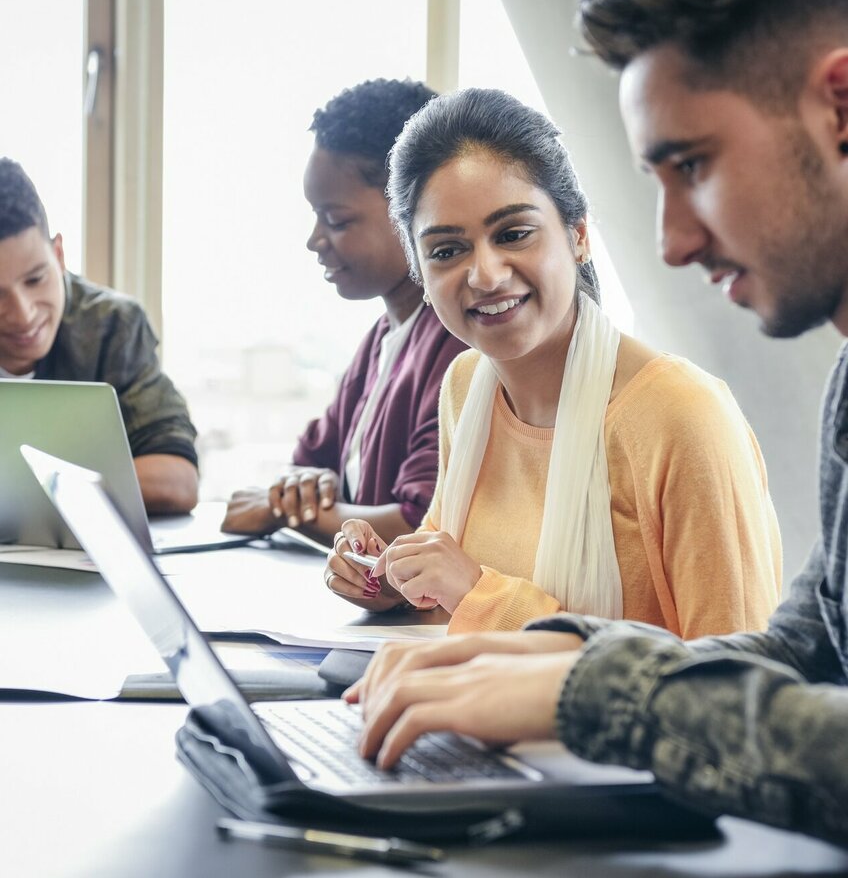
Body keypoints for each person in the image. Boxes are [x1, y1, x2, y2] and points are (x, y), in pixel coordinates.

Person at [343, 0, 848, 846]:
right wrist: (532, 659)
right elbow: (802, 659)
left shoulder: (679, 411)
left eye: (693, 163)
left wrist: (581, 685)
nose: (672, 241)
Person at [325, 86, 781, 638]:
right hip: (476, 714)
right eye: (447, 250)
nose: (486, 275)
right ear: (419, 271)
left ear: (579, 236)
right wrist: (384, 578)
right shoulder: (466, 387)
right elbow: (447, 593)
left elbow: (736, 684)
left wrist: (480, 593)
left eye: (514, 233)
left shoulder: (681, 416)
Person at [222, 79, 467, 545]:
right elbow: (308, 465)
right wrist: (300, 494)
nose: (315, 239)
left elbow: (420, 524)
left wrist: (281, 510)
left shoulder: (458, 344)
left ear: (411, 208)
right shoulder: (381, 339)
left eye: (336, 220)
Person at [0, 158, 198, 514]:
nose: (23, 313)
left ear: (58, 255)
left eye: (35, 279)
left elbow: (178, 479)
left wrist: (28, 486)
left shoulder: (113, 326)